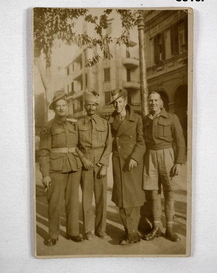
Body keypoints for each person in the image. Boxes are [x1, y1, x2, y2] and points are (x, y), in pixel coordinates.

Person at [38, 90, 83, 246]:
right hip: (56, 168)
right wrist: (45, 174)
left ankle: (73, 232)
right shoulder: (48, 127)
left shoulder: (73, 124)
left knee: (73, 201)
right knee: (54, 203)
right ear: (54, 109)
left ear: (68, 107)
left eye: (64, 105)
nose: (62, 108)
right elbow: (43, 152)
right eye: (59, 106)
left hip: (73, 166)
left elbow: (78, 146)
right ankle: (53, 234)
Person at [143, 91, 186, 242]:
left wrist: (179, 162)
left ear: (160, 102)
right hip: (150, 157)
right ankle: (156, 228)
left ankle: (170, 228)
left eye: (155, 100)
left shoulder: (172, 118)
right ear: (148, 103)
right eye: (150, 101)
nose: (153, 103)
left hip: (167, 156)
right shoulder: (145, 120)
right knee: (153, 194)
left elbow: (180, 140)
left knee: (169, 193)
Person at [108, 89, 146, 245]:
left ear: (125, 101)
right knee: (121, 198)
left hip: (132, 162)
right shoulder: (111, 120)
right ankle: (128, 231)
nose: (117, 105)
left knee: (133, 197)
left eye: (119, 101)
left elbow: (142, 142)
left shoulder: (136, 119)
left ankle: (133, 232)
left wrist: (135, 158)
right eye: (114, 103)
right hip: (118, 161)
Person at [76, 89, 112, 240]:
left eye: (93, 105)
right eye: (88, 105)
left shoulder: (105, 123)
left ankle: (101, 229)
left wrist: (104, 165)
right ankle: (88, 230)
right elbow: (75, 145)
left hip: (100, 161)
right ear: (85, 106)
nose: (91, 108)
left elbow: (109, 144)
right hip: (86, 161)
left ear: (97, 106)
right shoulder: (78, 124)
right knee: (86, 198)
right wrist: (83, 159)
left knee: (101, 197)